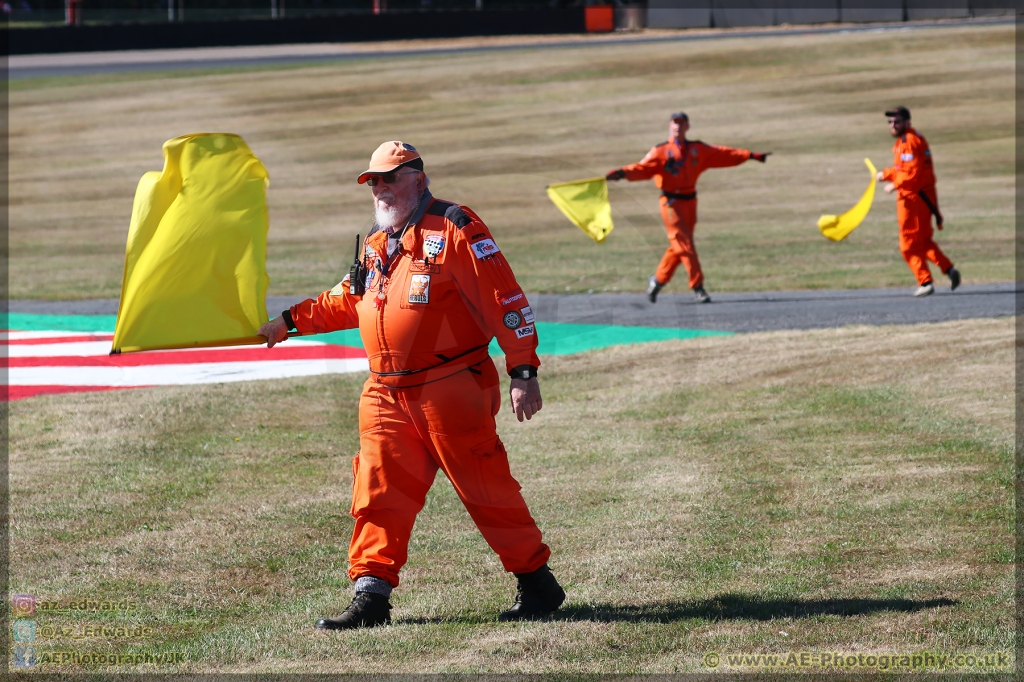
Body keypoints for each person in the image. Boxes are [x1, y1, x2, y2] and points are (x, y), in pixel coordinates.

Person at [259, 141, 564, 629]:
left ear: (419, 179)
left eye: (390, 178)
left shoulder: (457, 227)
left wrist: (522, 371)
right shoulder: (379, 242)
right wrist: (289, 321)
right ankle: (371, 596)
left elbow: (504, 298)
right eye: (374, 181)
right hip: (384, 391)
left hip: (452, 386)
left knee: (487, 491)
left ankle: (536, 582)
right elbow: (347, 299)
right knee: (378, 492)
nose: (380, 188)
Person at [606, 111, 770, 303]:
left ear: (687, 127)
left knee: (679, 247)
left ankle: (658, 280)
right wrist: (621, 173)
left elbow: (723, 154)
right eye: (674, 123)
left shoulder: (697, 150)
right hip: (670, 203)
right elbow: (642, 168)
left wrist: (750, 155)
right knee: (685, 245)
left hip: (690, 201)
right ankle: (698, 287)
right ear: (669, 126)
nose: (678, 126)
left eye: (681, 123)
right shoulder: (660, 151)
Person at [876, 106, 960, 297]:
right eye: (890, 122)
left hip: (912, 201)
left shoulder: (909, 142)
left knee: (908, 245)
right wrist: (886, 174)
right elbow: (903, 168)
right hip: (922, 198)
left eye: (896, 121)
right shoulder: (910, 140)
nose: (893, 125)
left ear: (907, 122)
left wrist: (894, 184)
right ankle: (948, 269)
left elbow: (911, 173)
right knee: (923, 241)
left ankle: (925, 281)